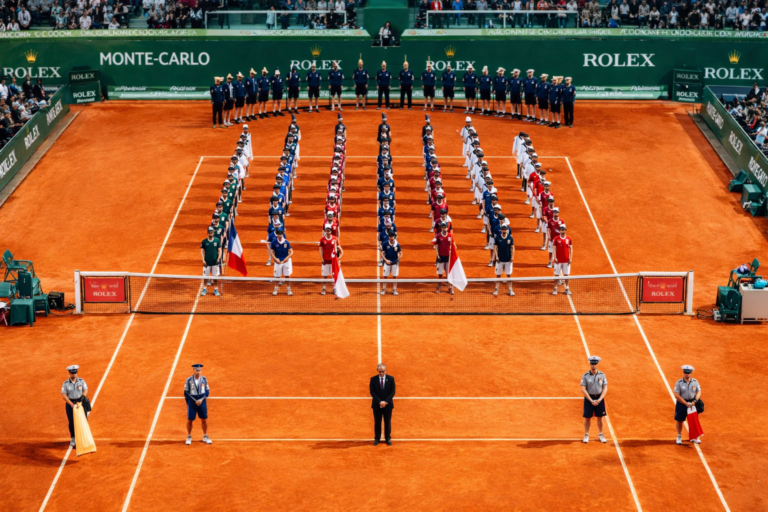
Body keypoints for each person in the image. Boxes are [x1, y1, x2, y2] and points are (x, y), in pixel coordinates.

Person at [580, 355, 608, 444]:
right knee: (587, 418)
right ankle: (586, 435)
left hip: (599, 398)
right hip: (589, 398)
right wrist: (591, 400)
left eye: (595, 364)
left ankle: (601, 434)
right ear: (590, 364)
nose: (593, 365)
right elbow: (583, 389)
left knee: (600, 417)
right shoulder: (585, 376)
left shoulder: (602, 375)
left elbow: (605, 388)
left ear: (597, 364)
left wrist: (599, 399)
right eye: (592, 363)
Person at [674, 365, 702, 445]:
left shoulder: (695, 382)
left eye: (689, 373)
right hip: (682, 403)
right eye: (686, 373)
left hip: (693, 403)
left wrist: (695, 400)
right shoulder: (679, 383)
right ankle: (679, 436)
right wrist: (685, 403)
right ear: (683, 373)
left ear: (691, 373)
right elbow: (677, 395)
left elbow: (699, 391)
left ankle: (695, 436)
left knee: (694, 420)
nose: (687, 374)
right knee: (679, 420)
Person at [184, 364, 212, 445]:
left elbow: (207, 391)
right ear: (193, 370)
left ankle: (205, 436)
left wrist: (201, 399)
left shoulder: (204, 379)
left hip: (202, 402)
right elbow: (186, 393)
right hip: (192, 403)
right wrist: (194, 400)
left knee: (204, 419)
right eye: (197, 370)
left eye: (199, 370)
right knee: (190, 420)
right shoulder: (188, 380)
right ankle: (189, 436)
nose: (198, 372)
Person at [61, 365, 88, 448]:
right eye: (72, 373)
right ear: (69, 373)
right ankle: (73, 438)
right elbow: (64, 396)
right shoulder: (65, 384)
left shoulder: (81, 381)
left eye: (75, 373)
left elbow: (85, 389)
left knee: (83, 420)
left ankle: (83, 438)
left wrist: (83, 396)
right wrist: (71, 404)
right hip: (70, 404)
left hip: (80, 402)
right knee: (72, 422)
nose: (74, 375)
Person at [370, 363, 395, 445]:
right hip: (377, 405)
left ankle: (388, 438)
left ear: (386, 370)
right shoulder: (373, 379)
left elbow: (392, 392)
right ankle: (377, 438)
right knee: (377, 422)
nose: (381, 373)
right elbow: (372, 392)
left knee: (387, 422)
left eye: (383, 371)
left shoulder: (391, 379)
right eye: (380, 371)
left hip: (387, 405)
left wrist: (386, 402)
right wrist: (379, 402)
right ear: (377, 371)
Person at [319, 225, 343, 295]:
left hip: (333, 262)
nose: (328, 232)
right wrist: (322, 259)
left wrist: (339, 258)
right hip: (325, 262)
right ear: (325, 231)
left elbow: (341, 250)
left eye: (329, 231)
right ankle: (324, 288)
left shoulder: (335, 239)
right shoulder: (322, 240)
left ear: (331, 231)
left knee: (333, 275)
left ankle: (335, 288)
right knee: (325, 276)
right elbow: (320, 250)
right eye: (327, 231)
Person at [269, 228, 294, 296]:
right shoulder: (274, 242)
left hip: (286, 262)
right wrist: (275, 259)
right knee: (277, 277)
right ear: (277, 234)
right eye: (278, 235)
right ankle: (276, 289)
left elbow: (291, 252)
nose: (280, 237)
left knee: (287, 276)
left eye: (281, 235)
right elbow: (271, 252)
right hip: (278, 262)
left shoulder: (286, 242)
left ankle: (288, 290)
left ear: (282, 234)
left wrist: (286, 258)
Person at [432, 222, 454, 294]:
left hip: (448, 257)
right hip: (441, 256)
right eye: (443, 227)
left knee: (449, 273)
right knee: (440, 273)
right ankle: (439, 286)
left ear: (447, 227)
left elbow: (453, 245)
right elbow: (436, 246)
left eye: (445, 227)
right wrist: (437, 255)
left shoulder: (450, 236)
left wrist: (452, 251)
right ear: (441, 227)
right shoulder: (438, 236)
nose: (444, 228)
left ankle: (450, 287)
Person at [493, 224, 515, 296]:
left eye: (506, 229)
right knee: (498, 275)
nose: (504, 230)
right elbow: (495, 248)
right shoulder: (498, 238)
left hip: (508, 260)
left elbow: (512, 248)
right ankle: (496, 289)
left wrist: (512, 257)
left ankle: (510, 289)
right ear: (501, 230)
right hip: (500, 260)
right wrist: (496, 257)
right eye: (503, 229)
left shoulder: (510, 238)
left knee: (509, 275)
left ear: (507, 230)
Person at [201, 226, 222, 296]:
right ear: (208, 233)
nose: (211, 233)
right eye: (210, 232)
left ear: (213, 232)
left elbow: (220, 251)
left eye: (212, 232)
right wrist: (203, 260)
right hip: (207, 263)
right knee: (205, 277)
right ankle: (204, 289)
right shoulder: (204, 242)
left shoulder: (217, 240)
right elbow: (202, 251)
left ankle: (215, 289)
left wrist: (218, 258)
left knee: (215, 278)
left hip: (215, 262)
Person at [552, 224, 572, 295]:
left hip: (566, 261)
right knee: (556, 276)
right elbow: (554, 249)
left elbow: (570, 248)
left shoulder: (569, 239)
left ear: (565, 230)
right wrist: (555, 258)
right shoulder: (556, 239)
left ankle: (567, 288)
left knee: (566, 275)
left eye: (563, 229)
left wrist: (570, 258)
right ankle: (555, 288)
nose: (562, 231)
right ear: (560, 230)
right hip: (558, 261)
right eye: (561, 229)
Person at [380, 230, 402, 295]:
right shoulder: (385, 244)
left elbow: (400, 253)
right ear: (389, 237)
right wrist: (385, 260)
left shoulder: (397, 244)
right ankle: (383, 289)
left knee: (394, 276)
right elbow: (382, 253)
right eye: (390, 239)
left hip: (395, 263)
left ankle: (394, 290)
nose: (391, 240)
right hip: (387, 263)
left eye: (392, 239)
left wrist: (398, 259)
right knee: (385, 276)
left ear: (394, 237)